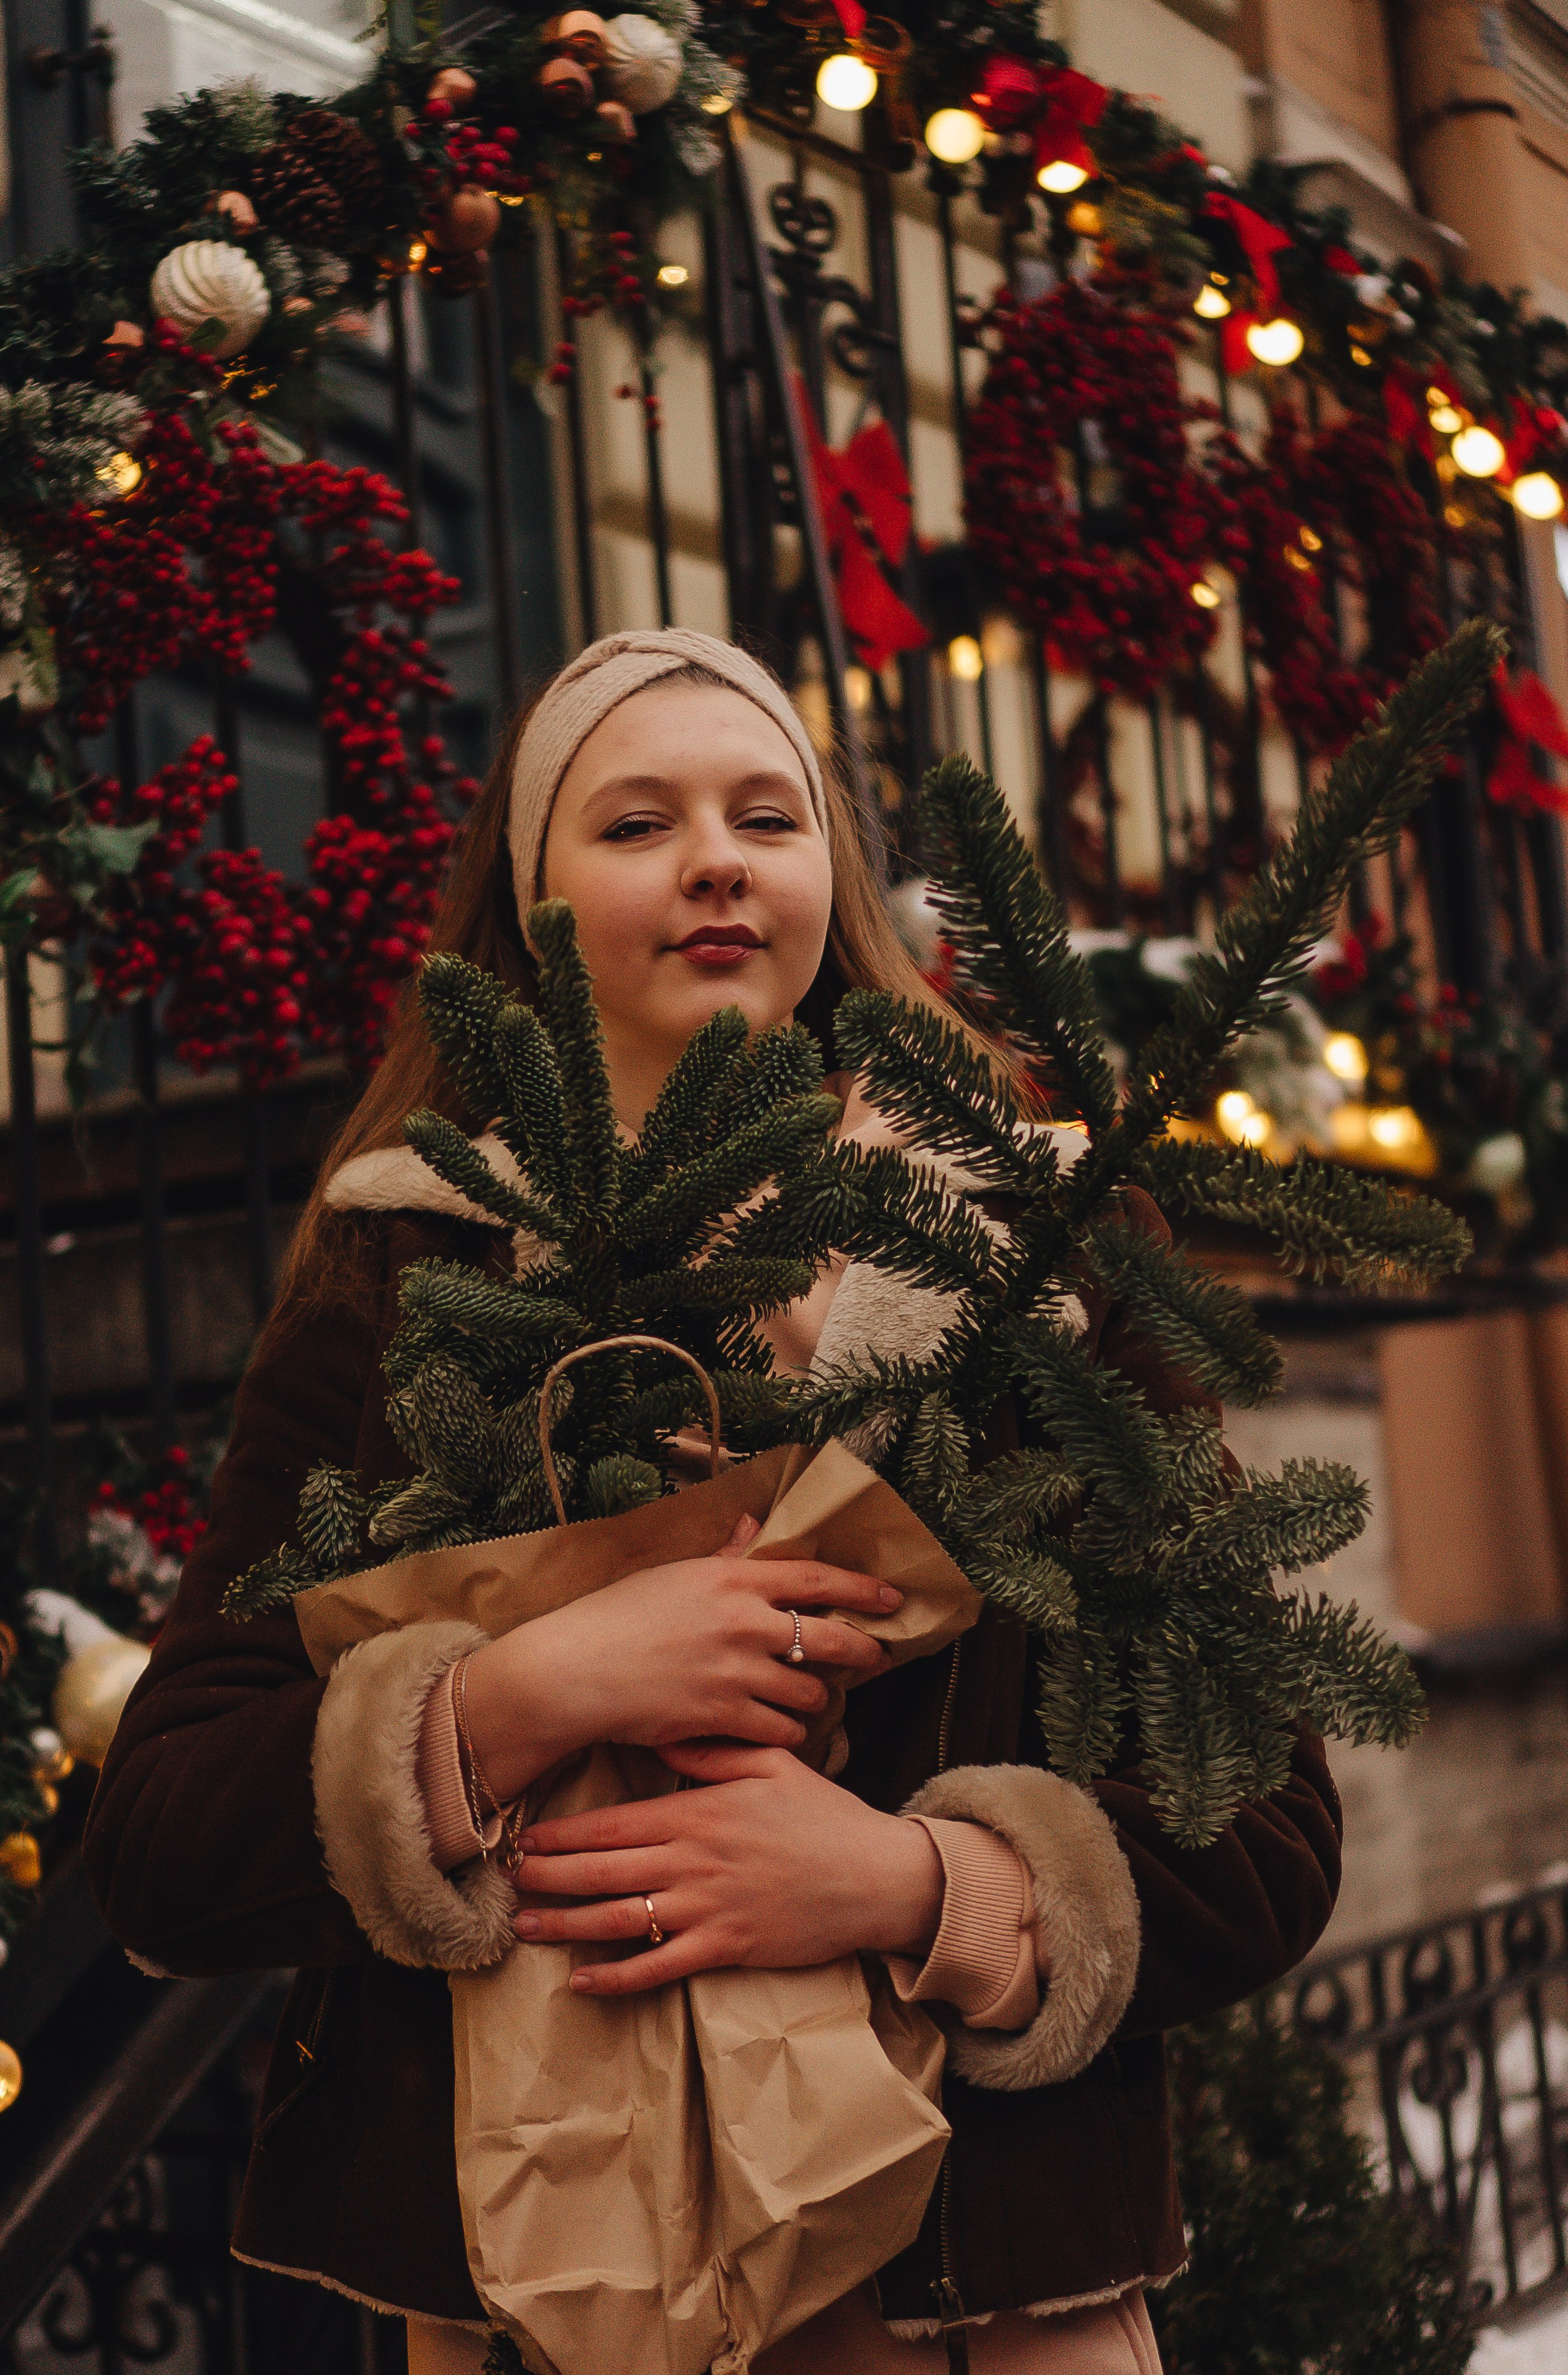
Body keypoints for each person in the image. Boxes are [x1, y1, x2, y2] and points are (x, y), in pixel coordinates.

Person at [84, 630, 1342, 2375]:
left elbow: (1266, 1825)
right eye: (634, 823)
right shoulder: (400, 1284)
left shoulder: (1042, 1267)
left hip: (986, 2320)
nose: (716, 861)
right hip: (545, 2305)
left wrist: (920, 1885)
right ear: (532, 905)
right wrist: (524, 1696)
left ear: (835, 871)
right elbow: (162, 1844)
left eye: (771, 813)